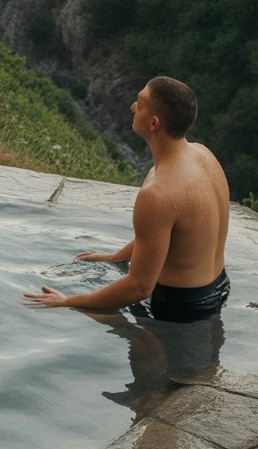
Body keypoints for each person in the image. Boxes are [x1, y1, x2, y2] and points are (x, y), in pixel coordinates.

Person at [25, 76, 230, 322]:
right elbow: (168, 233)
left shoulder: (158, 193)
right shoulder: (204, 156)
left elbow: (139, 287)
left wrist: (67, 301)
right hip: (218, 286)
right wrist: (117, 257)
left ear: (154, 123)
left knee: (151, 360)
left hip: (180, 307)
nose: (133, 107)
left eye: (140, 104)